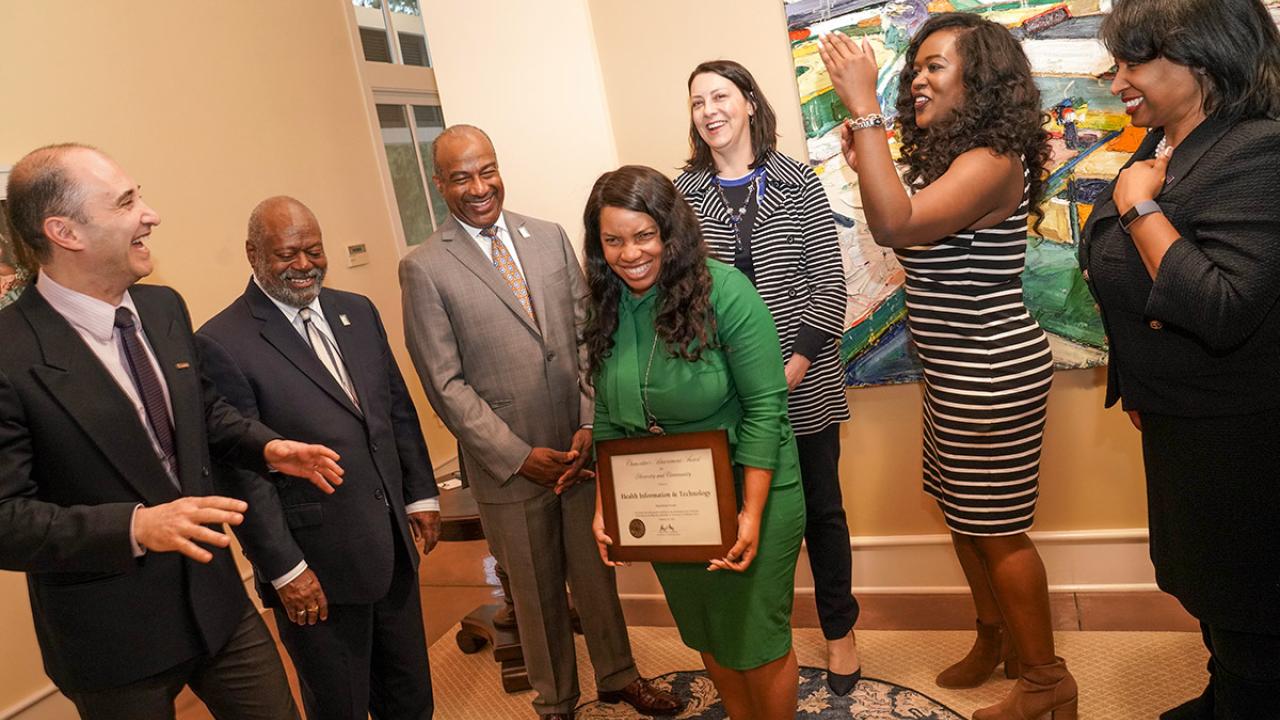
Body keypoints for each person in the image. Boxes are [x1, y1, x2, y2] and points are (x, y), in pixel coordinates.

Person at [0, 143, 345, 719]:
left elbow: (202, 413)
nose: (150, 214)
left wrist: (267, 446)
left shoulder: (162, 309)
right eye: (127, 202)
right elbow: (6, 517)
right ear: (66, 232)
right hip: (112, 635)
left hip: (217, 605)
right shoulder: (9, 352)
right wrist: (137, 525)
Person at [820, 15, 1075, 720]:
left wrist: (866, 110)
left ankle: (1047, 680)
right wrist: (862, 154)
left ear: (981, 79)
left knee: (996, 529)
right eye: (918, 66)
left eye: (937, 65)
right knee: (964, 519)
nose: (920, 78)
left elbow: (895, 226)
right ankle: (997, 640)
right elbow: (909, 218)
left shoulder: (993, 158)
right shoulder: (955, 161)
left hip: (989, 373)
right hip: (956, 374)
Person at [399, 125, 681, 720]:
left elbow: (587, 337)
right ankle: (557, 700)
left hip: (577, 451)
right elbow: (444, 384)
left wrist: (587, 422)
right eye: (462, 177)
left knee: (596, 577)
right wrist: (517, 454)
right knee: (535, 591)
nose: (480, 187)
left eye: (487, 170)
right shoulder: (424, 267)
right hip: (508, 467)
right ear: (439, 184)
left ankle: (618, 676)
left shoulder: (549, 237)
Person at [1081, 1, 1280, 716]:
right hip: (1183, 419)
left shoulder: (1258, 148)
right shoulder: (1169, 142)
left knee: (1255, 613)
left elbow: (1223, 306)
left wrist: (1141, 210)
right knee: (1218, 603)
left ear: (1203, 58)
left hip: (1245, 440)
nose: (1117, 80)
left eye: (1134, 61)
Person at [195, 196, 439, 719]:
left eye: (313, 249)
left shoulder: (358, 310)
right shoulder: (220, 342)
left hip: (391, 547)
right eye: (287, 254)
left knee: (411, 696)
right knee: (341, 705)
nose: (304, 265)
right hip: (316, 568)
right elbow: (240, 470)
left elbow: (394, 408)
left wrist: (419, 494)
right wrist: (284, 570)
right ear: (253, 254)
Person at [585, 165, 807, 720]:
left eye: (643, 236)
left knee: (756, 640)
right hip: (666, 506)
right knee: (708, 634)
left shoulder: (726, 291)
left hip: (749, 486)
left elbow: (766, 407)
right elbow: (609, 418)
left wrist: (750, 513)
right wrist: (603, 508)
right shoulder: (607, 303)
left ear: (670, 233)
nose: (629, 253)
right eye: (613, 240)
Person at [674, 59, 861, 695]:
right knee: (741, 519)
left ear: (749, 102)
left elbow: (828, 286)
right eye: (697, 101)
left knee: (820, 514)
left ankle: (841, 634)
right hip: (723, 398)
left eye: (720, 96)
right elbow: (682, 296)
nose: (709, 110)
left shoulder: (800, 182)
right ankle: (754, 634)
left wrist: (790, 370)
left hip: (802, 387)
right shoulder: (682, 196)